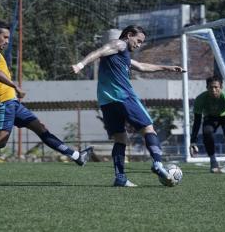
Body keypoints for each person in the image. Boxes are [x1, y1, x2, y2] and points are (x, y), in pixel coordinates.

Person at [0, 20, 93, 186]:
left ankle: (77, 156)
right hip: (4, 102)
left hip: (12, 103)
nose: (8, 41)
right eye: (5, 37)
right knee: (0, 139)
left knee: (41, 129)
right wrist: (14, 85)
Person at [72, 25, 185, 187]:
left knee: (121, 139)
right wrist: (80, 65)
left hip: (106, 101)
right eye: (138, 41)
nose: (139, 45)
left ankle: (120, 178)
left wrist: (167, 68)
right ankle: (158, 163)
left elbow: (142, 66)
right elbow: (101, 50)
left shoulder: (121, 55)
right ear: (129, 35)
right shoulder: (120, 44)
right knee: (148, 129)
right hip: (124, 97)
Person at [189, 75, 225, 174]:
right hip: (210, 117)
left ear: (221, 87)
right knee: (207, 131)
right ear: (207, 88)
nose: (213, 90)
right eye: (211, 87)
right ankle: (213, 161)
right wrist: (193, 141)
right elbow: (197, 121)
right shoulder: (200, 99)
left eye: (216, 87)